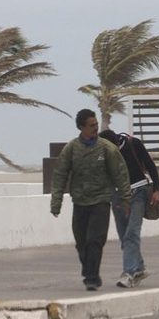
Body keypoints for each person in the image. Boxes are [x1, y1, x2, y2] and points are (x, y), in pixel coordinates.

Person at [50, 109, 131, 291]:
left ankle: (92, 278)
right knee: (81, 243)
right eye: (91, 126)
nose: (95, 128)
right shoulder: (71, 148)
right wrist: (56, 203)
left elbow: (120, 173)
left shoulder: (106, 148)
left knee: (95, 240)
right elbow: (59, 174)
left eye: (96, 125)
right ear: (81, 127)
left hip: (101, 201)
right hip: (79, 201)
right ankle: (89, 271)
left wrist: (126, 198)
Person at [99, 129, 159, 288]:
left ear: (115, 143)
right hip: (118, 197)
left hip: (139, 192)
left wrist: (157, 190)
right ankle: (139, 269)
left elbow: (150, 165)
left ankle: (128, 273)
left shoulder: (133, 144)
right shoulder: (103, 153)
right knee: (124, 237)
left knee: (132, 233)